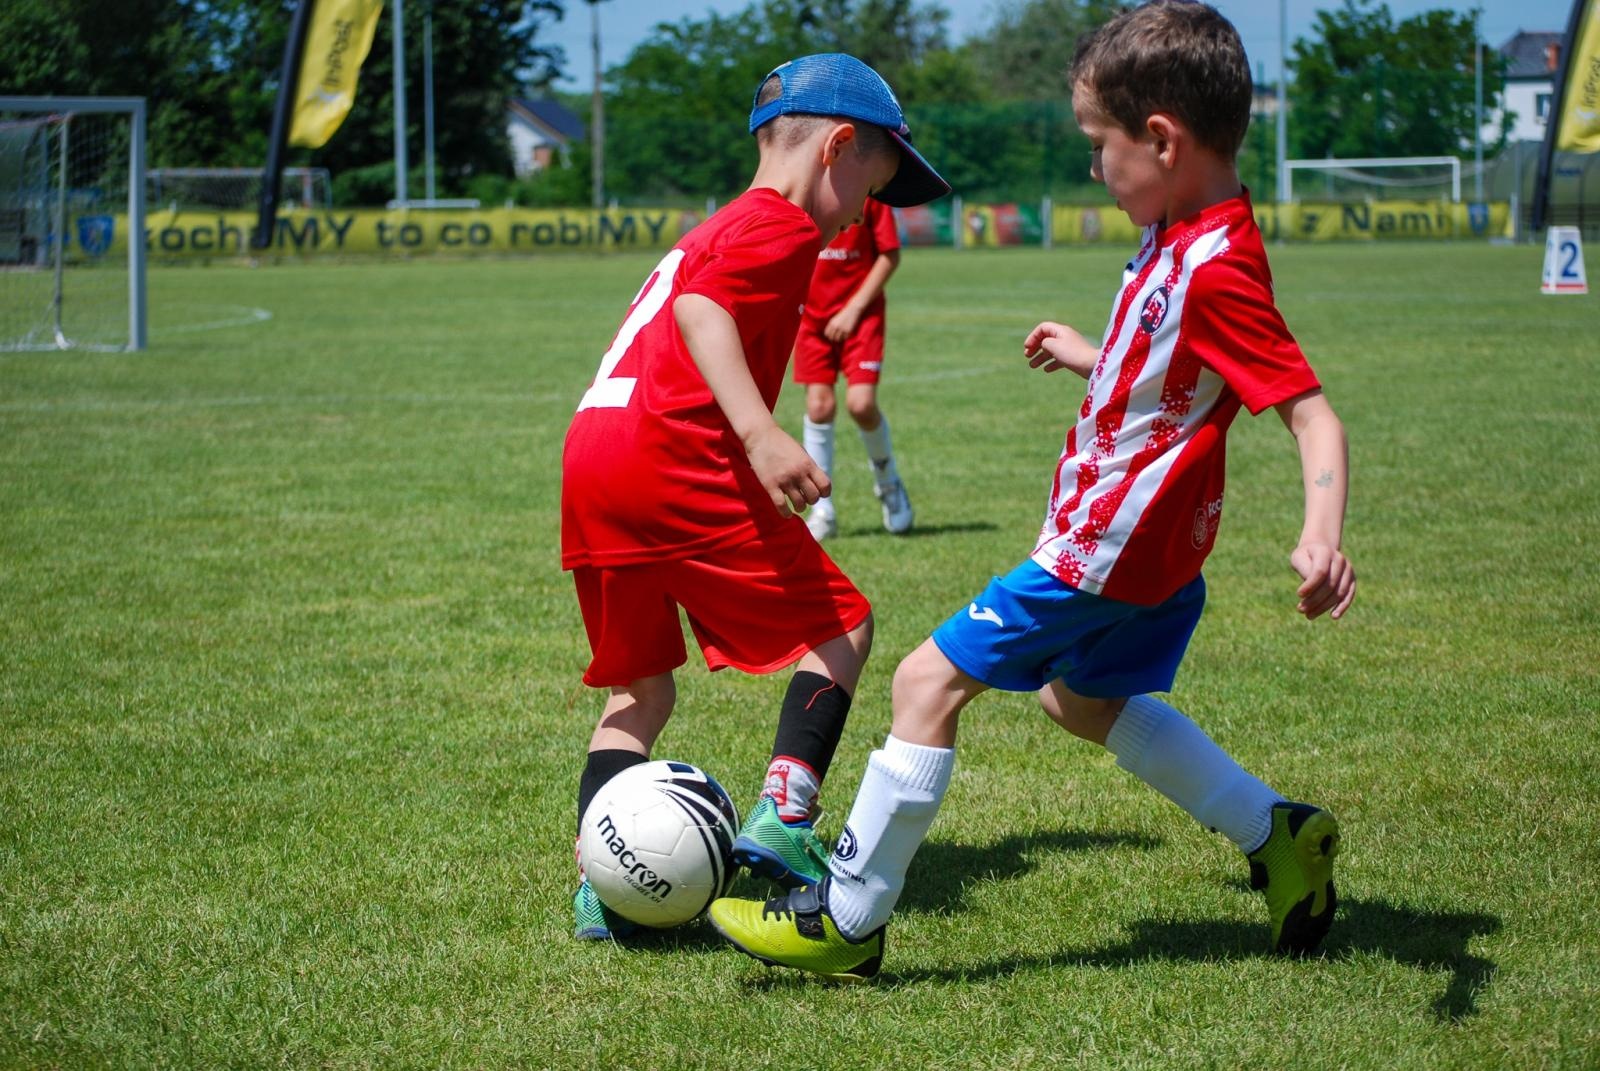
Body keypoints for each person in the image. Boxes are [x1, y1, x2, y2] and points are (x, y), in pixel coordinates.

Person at [708, 0, 1356, 979]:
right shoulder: (1186, 228)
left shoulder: (1216, 265)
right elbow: (1174, 370)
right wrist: (1089, 355)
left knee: (924, 682)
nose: (1095, 165)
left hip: (1104, 547)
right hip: (1154, 548)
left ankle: (844, 917)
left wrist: (1320, 534)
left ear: (1162, 139)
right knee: (1078, 699)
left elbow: (1311, 413)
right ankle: (1276, 832)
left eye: (1100, 144)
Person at [561, 52, 951, 940]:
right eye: (872, 186)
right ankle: (783, 823)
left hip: (594, 457)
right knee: (842, 625)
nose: (863, 212)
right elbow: (702, 314)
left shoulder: (715, 226)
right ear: (837, 147)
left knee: (640, 694)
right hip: (675, 454)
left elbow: (686, 303)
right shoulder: (781, 227)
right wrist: (759, 432)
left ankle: (602, 882)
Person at [794, 196, 912, 541]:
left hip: (861, 315)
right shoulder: (803, 189)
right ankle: (822, 510)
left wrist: (853, 309)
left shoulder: (870, 192)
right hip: (811, 316)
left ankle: (888, 483)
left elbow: (890, 255)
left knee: (860, 405)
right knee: (819, 406)